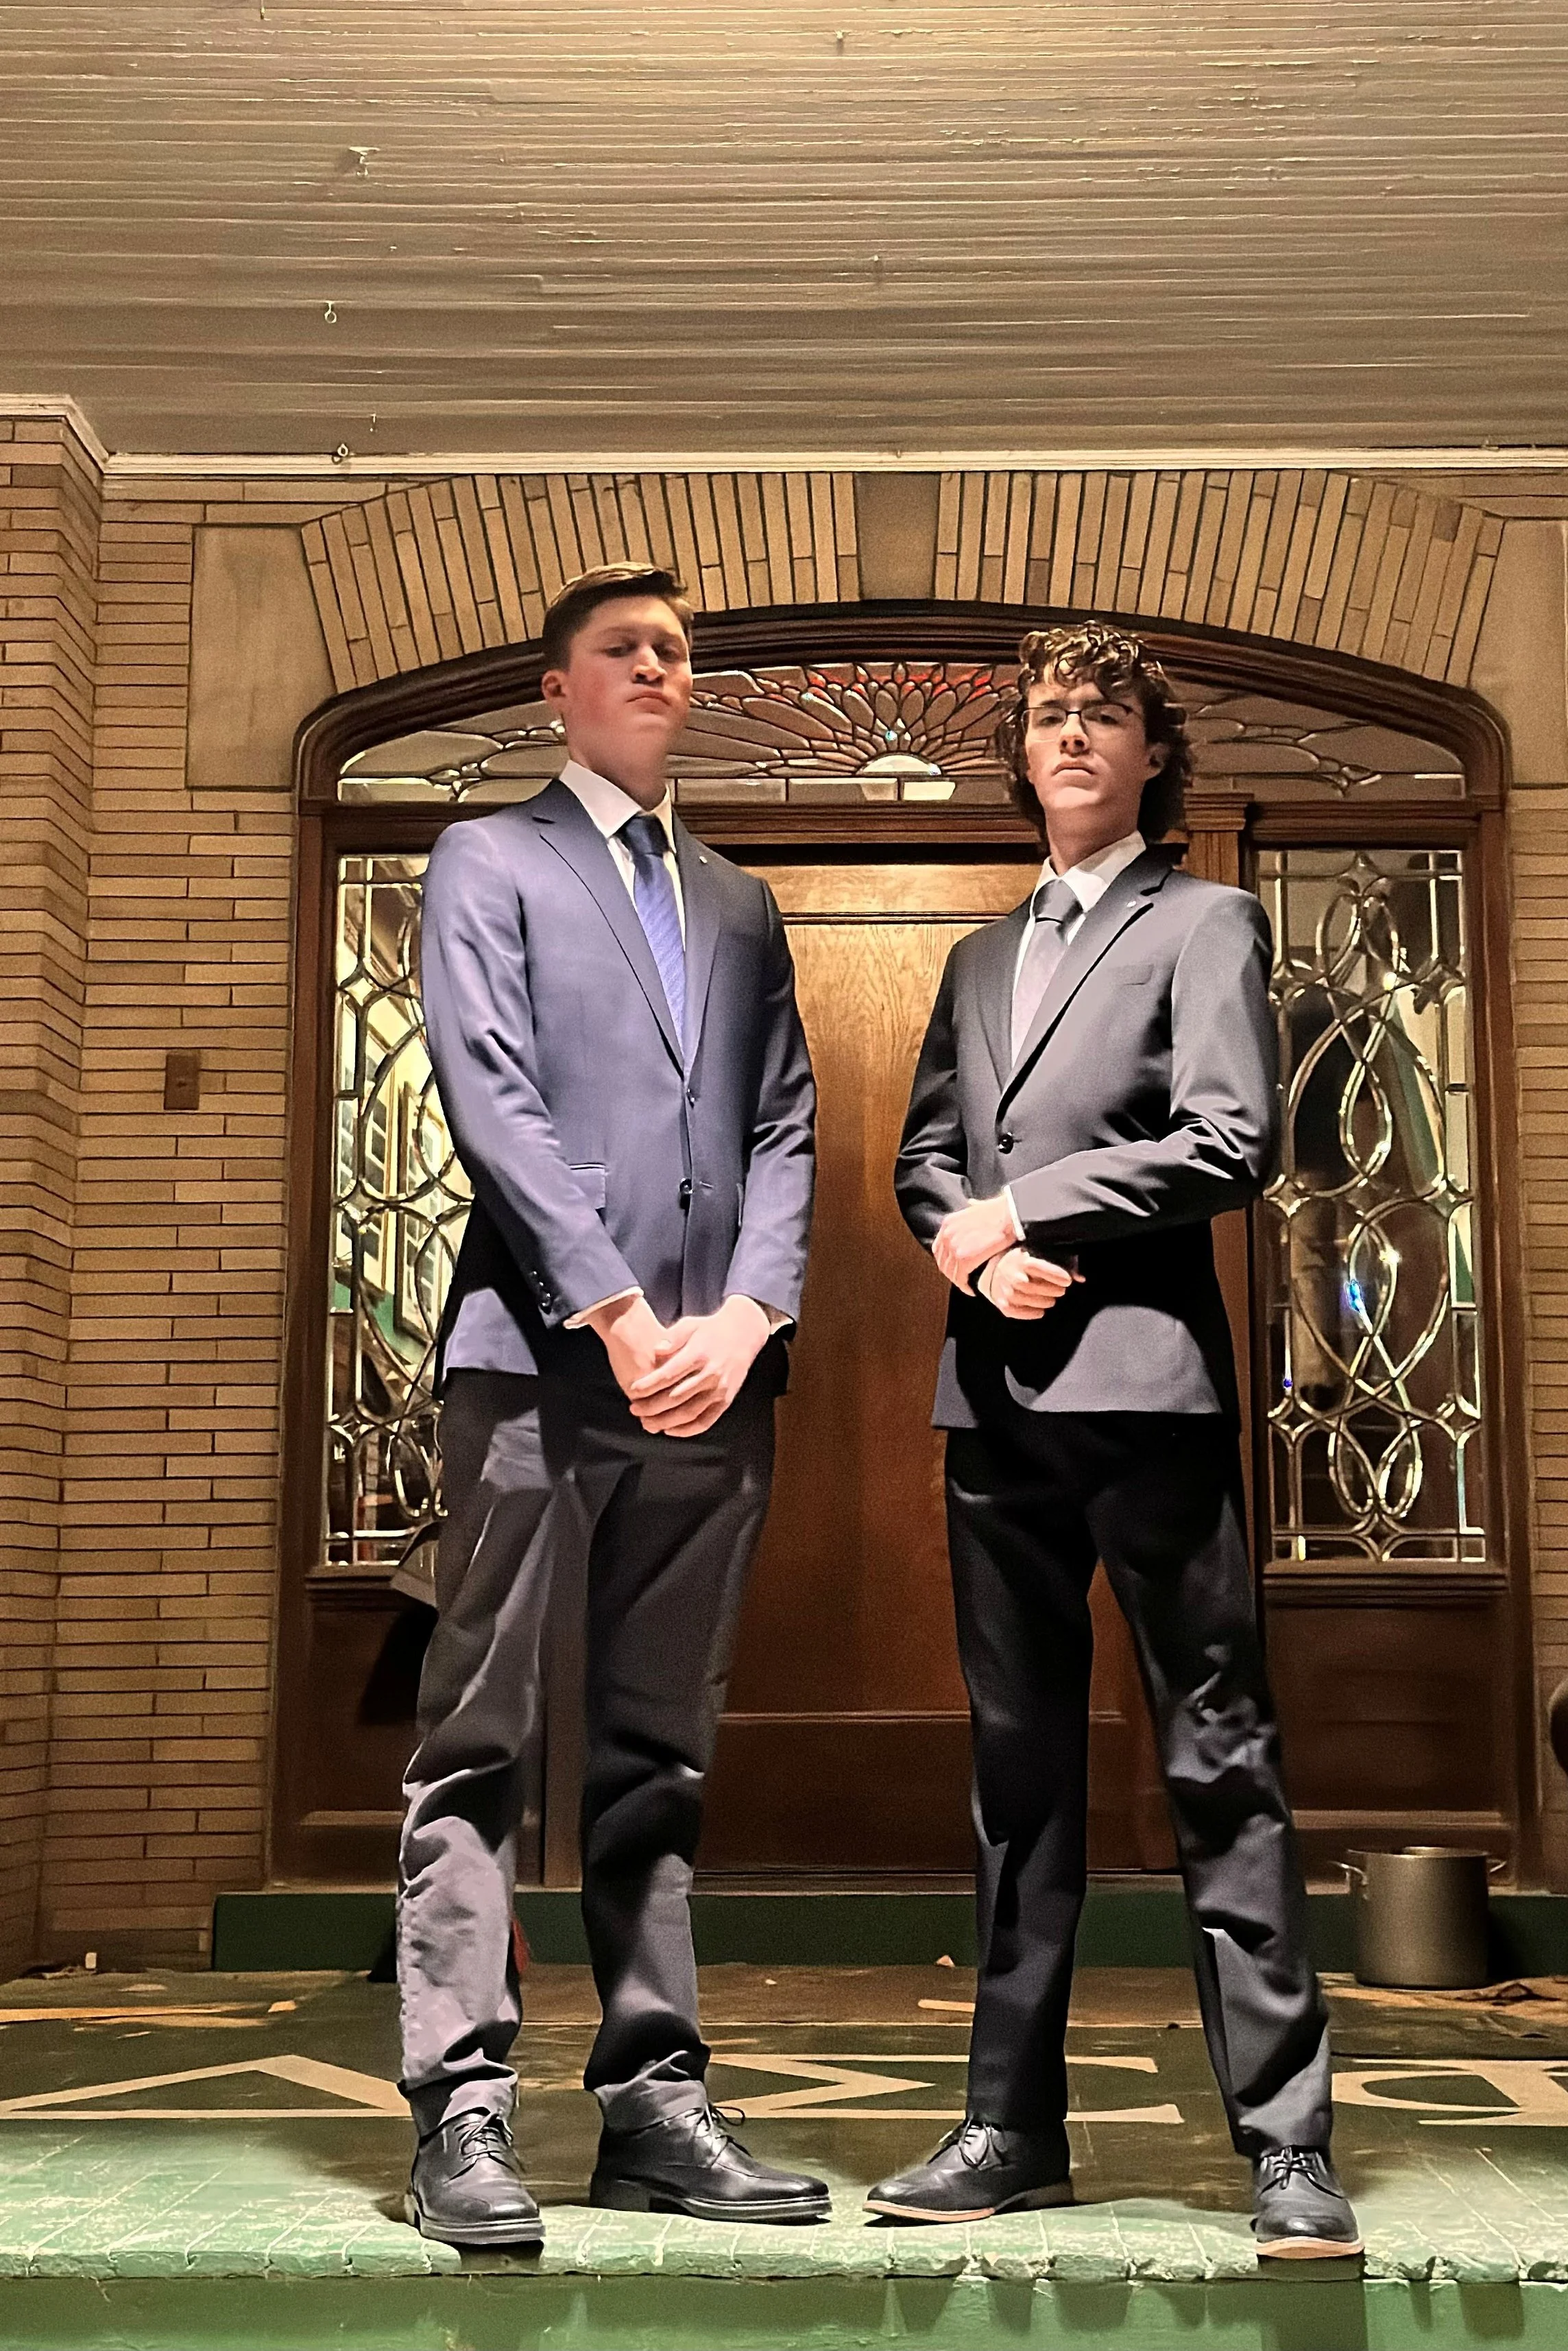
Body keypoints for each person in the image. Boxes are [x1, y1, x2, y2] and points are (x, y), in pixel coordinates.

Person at [880, 621, 1360, 2258]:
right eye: (1048, 715)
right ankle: (1008, 2126)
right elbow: (923, 1151)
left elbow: (1231, 1138)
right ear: (1020, 753)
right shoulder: (974, 957)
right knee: (1017, 1784)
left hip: (1148, 1396)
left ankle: (1286, 2147)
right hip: (992, 1406)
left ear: (1155, 755)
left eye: (1105, 715)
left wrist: (1037, 1208)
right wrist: (963, 1239)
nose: (1072, 734)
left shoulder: (1207, 921)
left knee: (1217, 1762)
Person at [397, 562, 827, 2247]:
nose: (659, 668)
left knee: (659, 1748)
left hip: (710, 1385)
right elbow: (486, 1086)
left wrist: (745, 1315)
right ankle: (463, 2108)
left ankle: (654, 2101)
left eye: (676, 652)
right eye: (623, 649)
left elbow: (786, 1122)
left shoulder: (733, 902)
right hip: (533, 1360)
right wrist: (621, 1306)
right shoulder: (487, 859)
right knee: (478, 1740)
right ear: (556, 689)